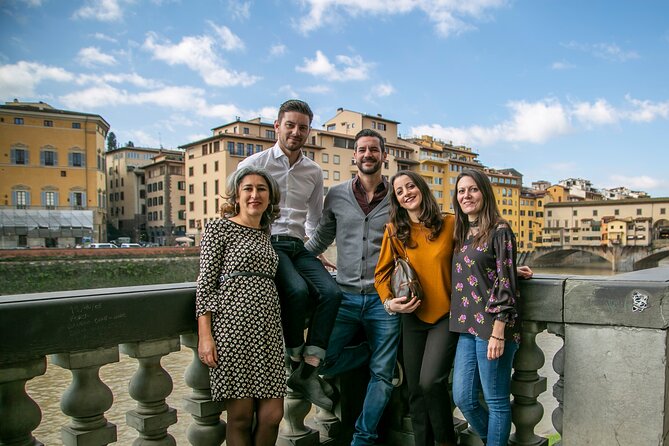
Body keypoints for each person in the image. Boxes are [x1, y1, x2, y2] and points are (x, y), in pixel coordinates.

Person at [237, 99, 342, 411]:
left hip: (298, 247)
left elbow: (313, 219)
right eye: (290, 125)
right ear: (277, 127)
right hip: (269, 244)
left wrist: (315, 253)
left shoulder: (313, 171)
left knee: (331, 292)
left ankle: (308, 367)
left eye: (303, 127)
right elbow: (236, 209)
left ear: (309, 131)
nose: (296, 132)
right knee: (295, 290)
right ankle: (294, 358)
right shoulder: (253, 165)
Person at [305, 128, 399, 446]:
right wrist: (289, 263)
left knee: (383, 377)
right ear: (354, 156)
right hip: (344, 297)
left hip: (383, 301)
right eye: (362, 150)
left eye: (374, 149)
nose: (368, 154)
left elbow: (428, 235)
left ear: (384, 156)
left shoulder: (399, 197)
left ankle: (363, 437)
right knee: (319, 359)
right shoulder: (337, 194)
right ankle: (370, 352)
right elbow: (320, 239)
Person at [196, 166, 283, 446]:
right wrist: (205, 335)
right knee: (241, 417)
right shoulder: (219, 228)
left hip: (267, 331)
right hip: (232, 330)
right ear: (236, 195)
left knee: (272, 415)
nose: (254, 195)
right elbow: (205, 284)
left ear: (270, 197)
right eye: (248, 189)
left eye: (261, 189)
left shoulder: (266, 234)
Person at [374, 170, 459, 446]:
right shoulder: (394, 231)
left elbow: (475, 257)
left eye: (410, 186)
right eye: (399, 191)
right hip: (411, 317)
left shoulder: (450, 223)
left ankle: (446, 442)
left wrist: (509, 269)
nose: (406, 193)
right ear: (396, 200)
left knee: (432, 382)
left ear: (421, 188)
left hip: (445, 316)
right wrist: (389, 301)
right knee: (414, 391)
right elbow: (382, 274)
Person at [450, 168, 522, 446]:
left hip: (493, 327)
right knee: (464, 399)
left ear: (485, 193)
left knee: (496, 400)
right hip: (466, 325)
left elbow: (506, 282)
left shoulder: (500, 230)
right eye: (461, 191)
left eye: (473, 189)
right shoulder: (460, 231)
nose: (467, 195)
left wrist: (498, 331)